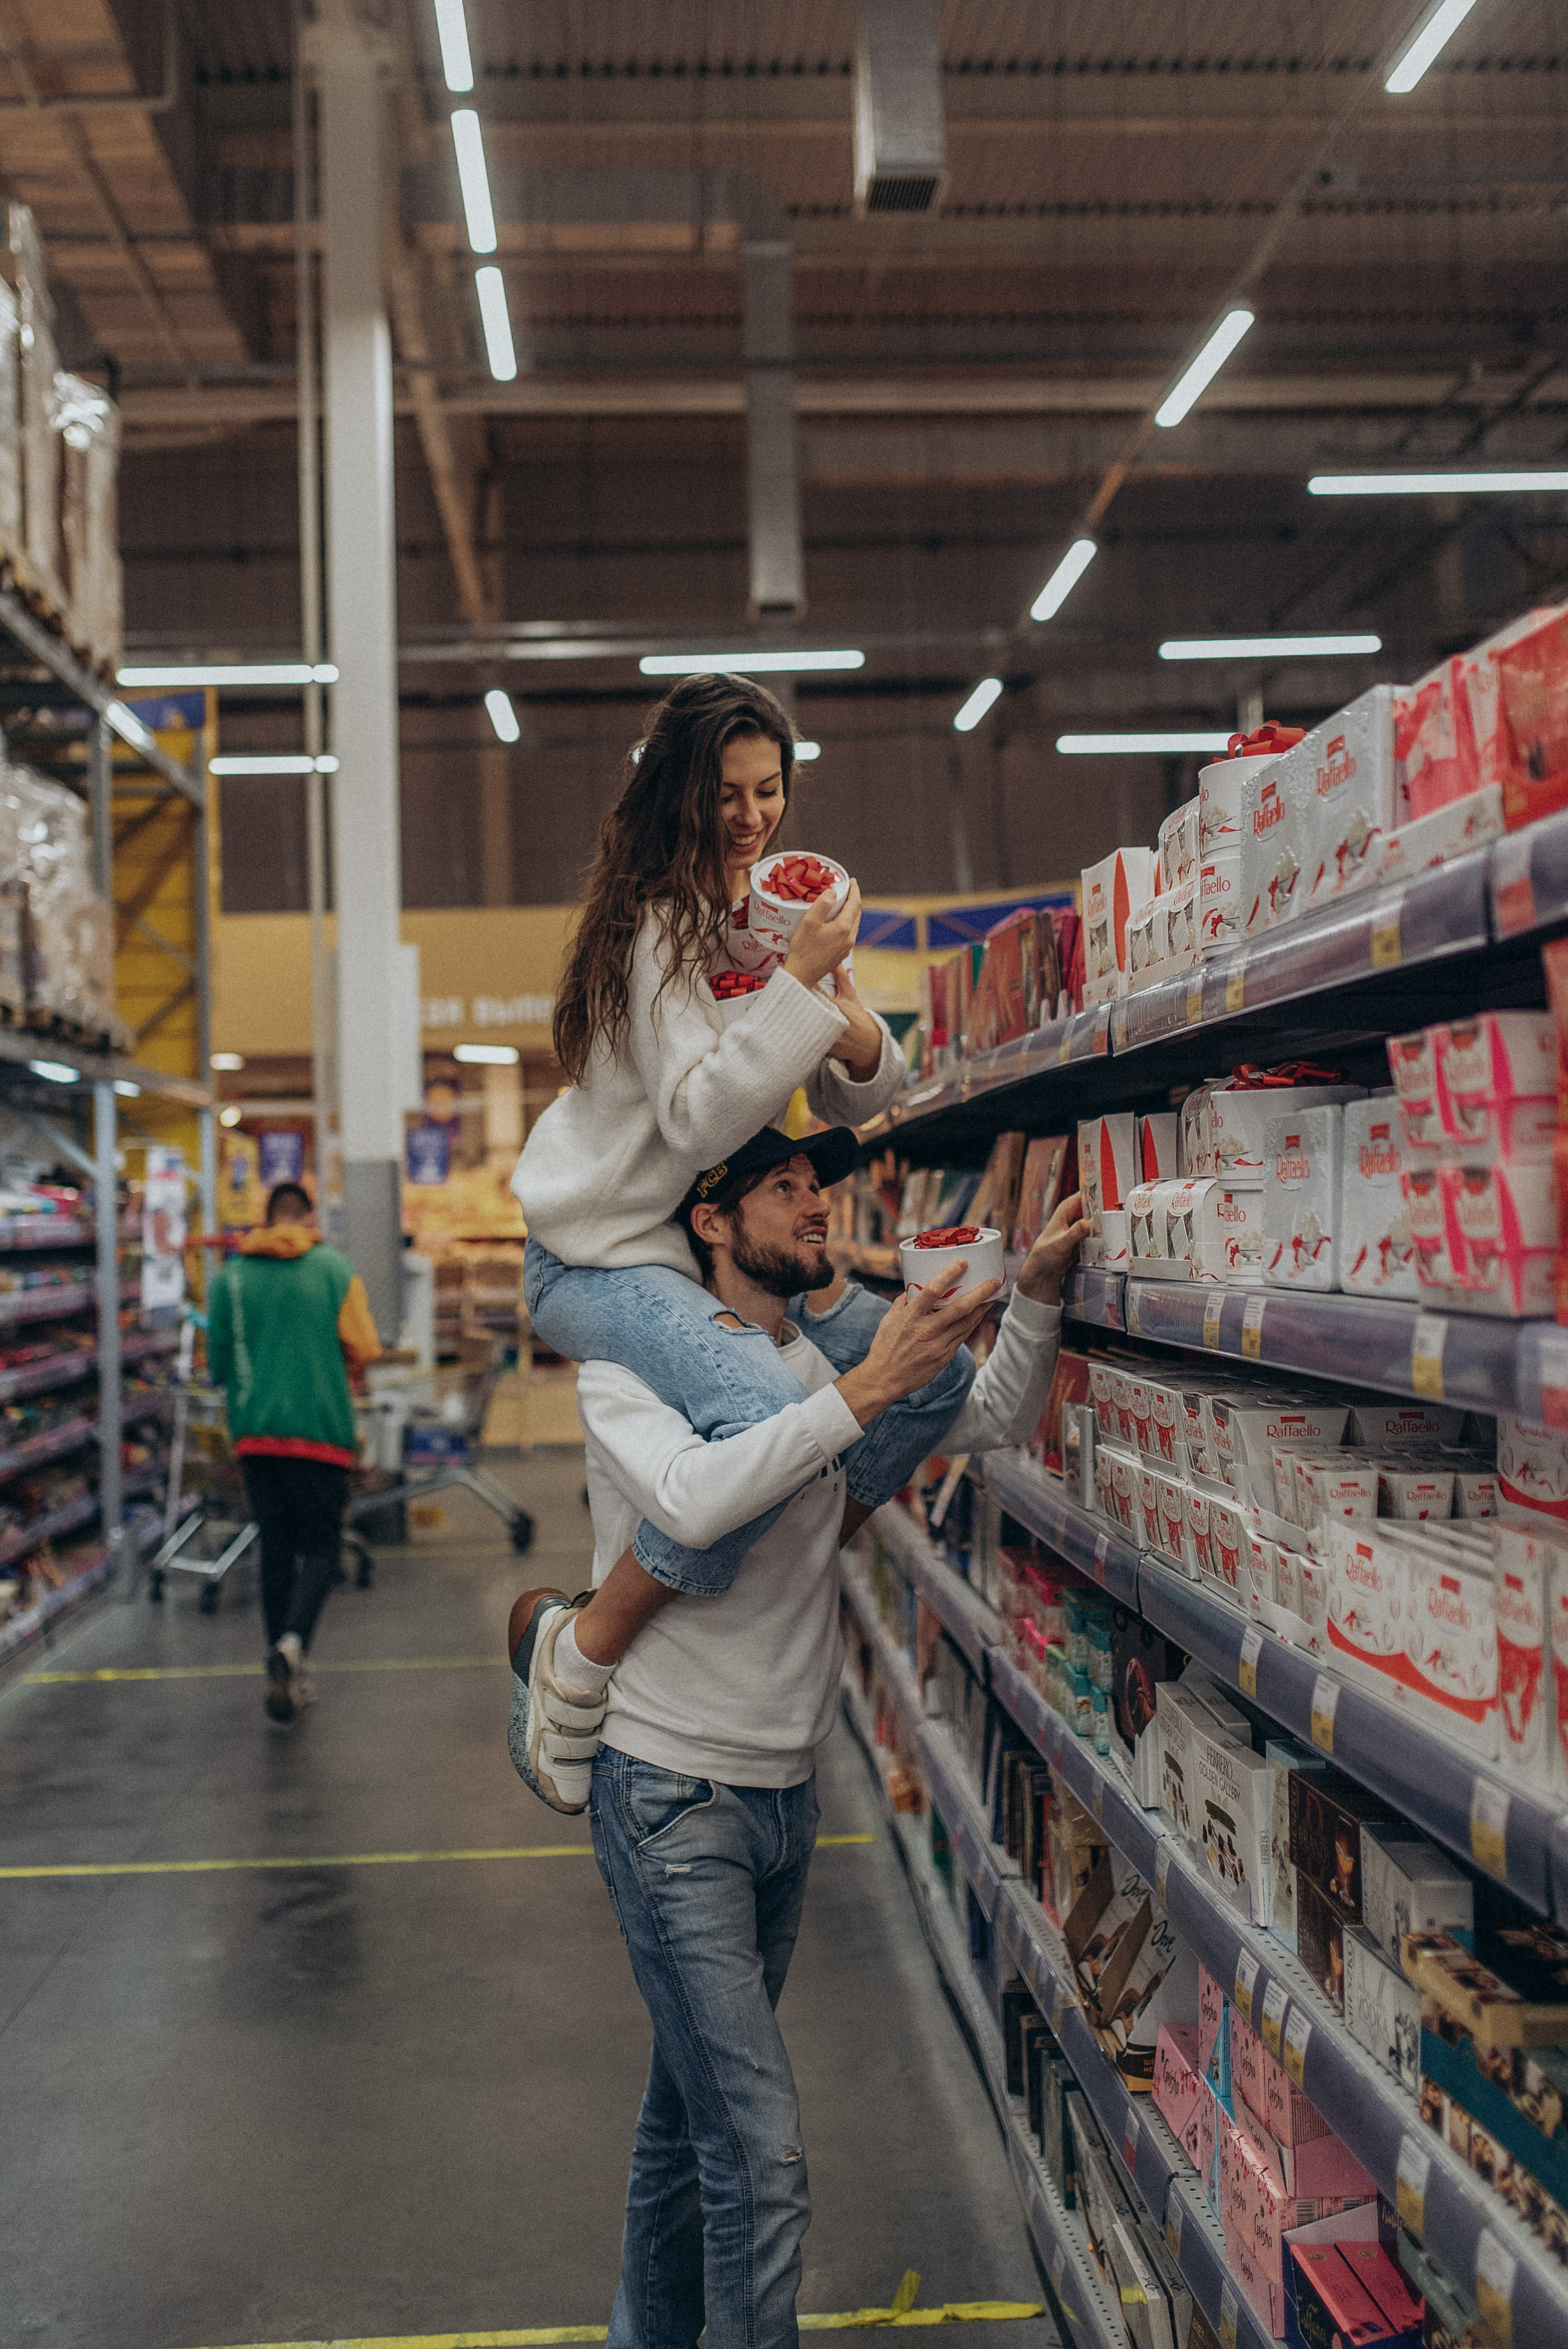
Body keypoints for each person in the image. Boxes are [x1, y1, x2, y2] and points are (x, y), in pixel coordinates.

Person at [508, 1126, 1089, 2346]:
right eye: (778, 1185)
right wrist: (864, 1388)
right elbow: (696, 1498)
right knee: (760, 2154)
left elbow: (984, 1417)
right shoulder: (629, 1371)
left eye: (814, 1179)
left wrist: (1027, 1298)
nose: (811, 1197)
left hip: (782, 1787)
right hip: (670, 1794)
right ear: (707, 1224)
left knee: (691, 2121)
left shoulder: (806, 1356)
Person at [510, 674, 973, 1746]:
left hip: (697, 1261)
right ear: (678, 793)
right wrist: (799, 988)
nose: (753, 817)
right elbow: (701, 1130)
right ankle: (577, 1650)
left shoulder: (759, 915)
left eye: (770, 790)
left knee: (929, 1372)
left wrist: (845, 1019)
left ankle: (792, 1552)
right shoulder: (654, 932)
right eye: (727, 794)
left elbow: (865, 1089)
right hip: (600, 1262)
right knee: (776, 1423)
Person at [206, 1180, 382, 1722]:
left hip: (255, 1433)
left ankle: (280, 1661)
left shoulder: (230, 1278)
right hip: (321, 1431)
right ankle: (293, 1645)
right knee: (323, 1546)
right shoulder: (333, 1269)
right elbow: (365, 1346)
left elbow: (217, 1365)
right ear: (306, 1219)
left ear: (266, 1219)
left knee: (275, 1547)